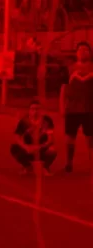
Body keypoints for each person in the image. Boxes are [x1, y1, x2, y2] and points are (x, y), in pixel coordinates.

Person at [59, 41, 93, 173]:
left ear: (90, 53)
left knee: (90, 138)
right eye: (80, 49)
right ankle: (69, 163)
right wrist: (62, 106)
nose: (83, 52)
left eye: (86, 50)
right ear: (76, 53)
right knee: (70, 137)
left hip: (90, 109)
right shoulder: (69, 69)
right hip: (72, 108)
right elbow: (63, 88)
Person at [12, 100, 57, 175]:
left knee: (52, 150)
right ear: (29, 110)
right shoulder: (24, 121)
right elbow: (17, 137)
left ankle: (45, 168)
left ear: (41, 110)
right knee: (14, 148)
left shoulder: (47, 121)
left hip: (42, 147)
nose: (35, 111)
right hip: (29, 148)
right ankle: (27, 166)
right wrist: (26, 147)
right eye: (33, 109)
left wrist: (40, 147)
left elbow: (51, 139)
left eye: (38, 109)